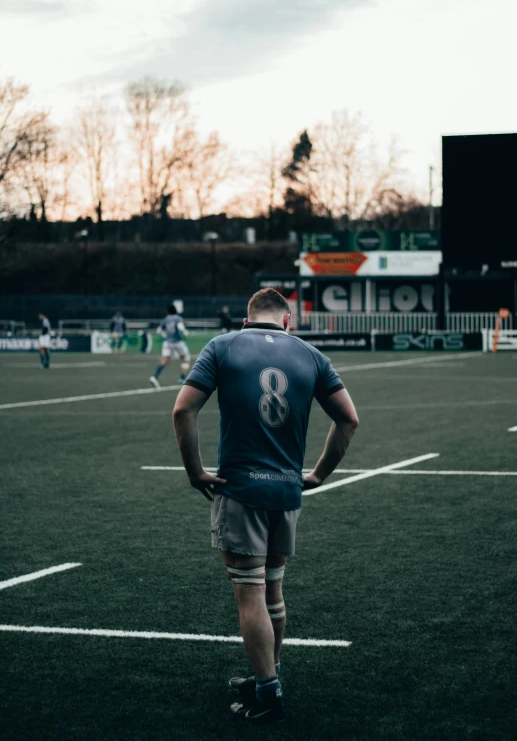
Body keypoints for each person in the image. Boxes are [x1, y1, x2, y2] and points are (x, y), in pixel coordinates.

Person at [173, 288, 359, 723]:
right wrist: (317, 475)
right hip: (286, 492)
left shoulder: (222, 346)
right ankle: (269, 674)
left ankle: (268, 692)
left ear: (245, 320)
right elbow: (349, 418)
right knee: (272, 588)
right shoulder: (312, 355)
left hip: (241, 490)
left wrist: (195, 471)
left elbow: (183, 410)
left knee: (249, 591)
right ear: (288, 321)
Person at [149, 304, 191, 388]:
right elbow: (181, 328)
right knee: (186, 359)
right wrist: (185, 334)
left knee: (164, 361)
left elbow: (158, 331)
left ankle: (155, 377)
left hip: (168, 343)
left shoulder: (165, 319)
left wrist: (165, 336)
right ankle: (182, 378)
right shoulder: (178, 318)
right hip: (178, 342)